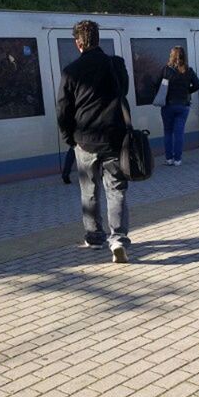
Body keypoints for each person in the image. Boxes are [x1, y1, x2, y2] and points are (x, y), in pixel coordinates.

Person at [57, 20, 131, 263]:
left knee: (89, 190)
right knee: (116, 189)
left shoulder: (70, 71)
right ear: (98, 40)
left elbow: (63, 109)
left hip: (84, 140)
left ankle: (94, 236)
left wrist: (69, 138)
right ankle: (118, 238)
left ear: (78, 43)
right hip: (113, 138)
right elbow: (124, 92)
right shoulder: (116, 64)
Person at [155, 46, 199, 165]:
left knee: (168, 132)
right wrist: (187, 91)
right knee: (179, 133)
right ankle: (178, 159)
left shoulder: (166, 70)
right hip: (183, 106)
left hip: (168, 106)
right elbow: (198, 85)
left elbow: (156, 84)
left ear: (172, 56)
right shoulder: (188, 70)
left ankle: (169, 159)